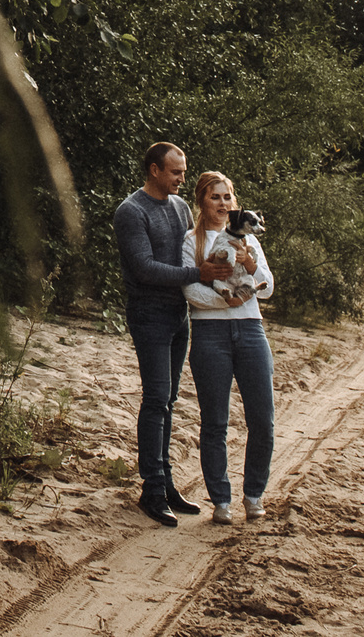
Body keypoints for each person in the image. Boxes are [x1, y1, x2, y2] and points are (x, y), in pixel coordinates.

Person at [113, 141, 234, 525]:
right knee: (155, 398)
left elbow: (190, 252)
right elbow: (145, 268)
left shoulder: (180, 207)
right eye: (176, 172)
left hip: (179, 314)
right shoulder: (131, 212)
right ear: (154, 170)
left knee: (168, 401)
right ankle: (150, 489)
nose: (184, 178)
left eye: (183, 171)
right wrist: (197, 275)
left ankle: (164, 484)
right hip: (148, 313)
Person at [184, 171, 276, 524]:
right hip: (209, 335)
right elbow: (191, 291)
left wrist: (251, 266)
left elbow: (266, 289)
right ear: (202, 201)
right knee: (215, 423)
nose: (222, 204)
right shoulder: (191, 241)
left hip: (252, 332)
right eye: (215, 197)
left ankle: (253, 495)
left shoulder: (249, 238)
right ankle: (221, 501)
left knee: (262, 420)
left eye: (227, 197)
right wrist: (231, 301)